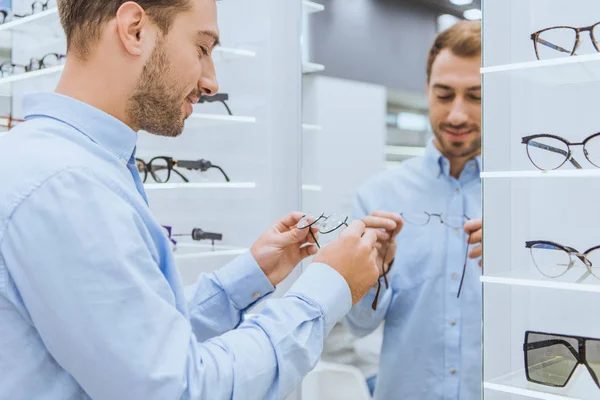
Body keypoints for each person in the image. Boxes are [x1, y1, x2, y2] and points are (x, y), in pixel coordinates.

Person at [0, 1, 387, 399]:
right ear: (134, 30)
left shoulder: (65, 167)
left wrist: (249, 277)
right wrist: (326, 290)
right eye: (202, 48)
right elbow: (181, 388)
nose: (211, 81)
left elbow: (136, 342)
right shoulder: (68, 185)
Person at [346, 20, 484, 400]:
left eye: (475, 96)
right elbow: (358, 325)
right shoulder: (377, 196)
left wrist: (517, 271)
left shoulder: (525, 200)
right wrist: (375, 273)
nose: (457, 115)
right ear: (426, 91)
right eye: (444, 95)